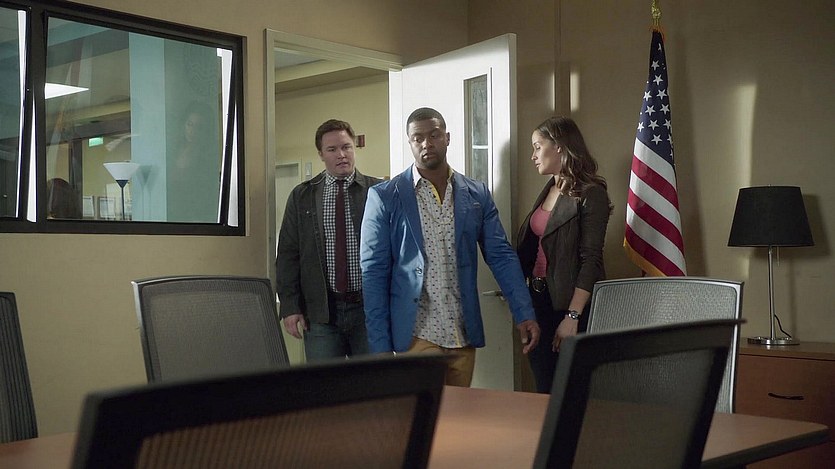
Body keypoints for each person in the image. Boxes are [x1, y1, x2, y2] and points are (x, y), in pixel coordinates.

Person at [361, 107, 540, 387]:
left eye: (434, 135)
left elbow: (501, 256)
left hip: (462, 334)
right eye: (417, 138)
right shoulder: (384, 197)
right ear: (410, 143)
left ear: (447, 137)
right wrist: (380, 346)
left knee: (459, 413)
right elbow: (373, 272)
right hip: (416, 335)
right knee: (425, 412)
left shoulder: (476, 193)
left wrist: (523, 312)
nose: (426, 143)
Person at [516, 116, 612, 393]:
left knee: (570, 389)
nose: (533, 155)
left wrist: (572, 317)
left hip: (569, 305)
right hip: (538, 302)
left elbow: (591, 260)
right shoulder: (549, 188)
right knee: (544, 387)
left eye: (537, 146)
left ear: (558, 146)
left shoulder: (591, 194)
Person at [276, 119, 382, 361]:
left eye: (346, 147)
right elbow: (288, 254)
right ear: (321, 154)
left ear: (354, 148)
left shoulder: (378, 191)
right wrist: (290, 306)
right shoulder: (303, 196)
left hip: (369, 311)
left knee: (374, 381)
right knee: (325, 383)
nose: (341, 155)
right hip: (321, 313)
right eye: (332, 149)